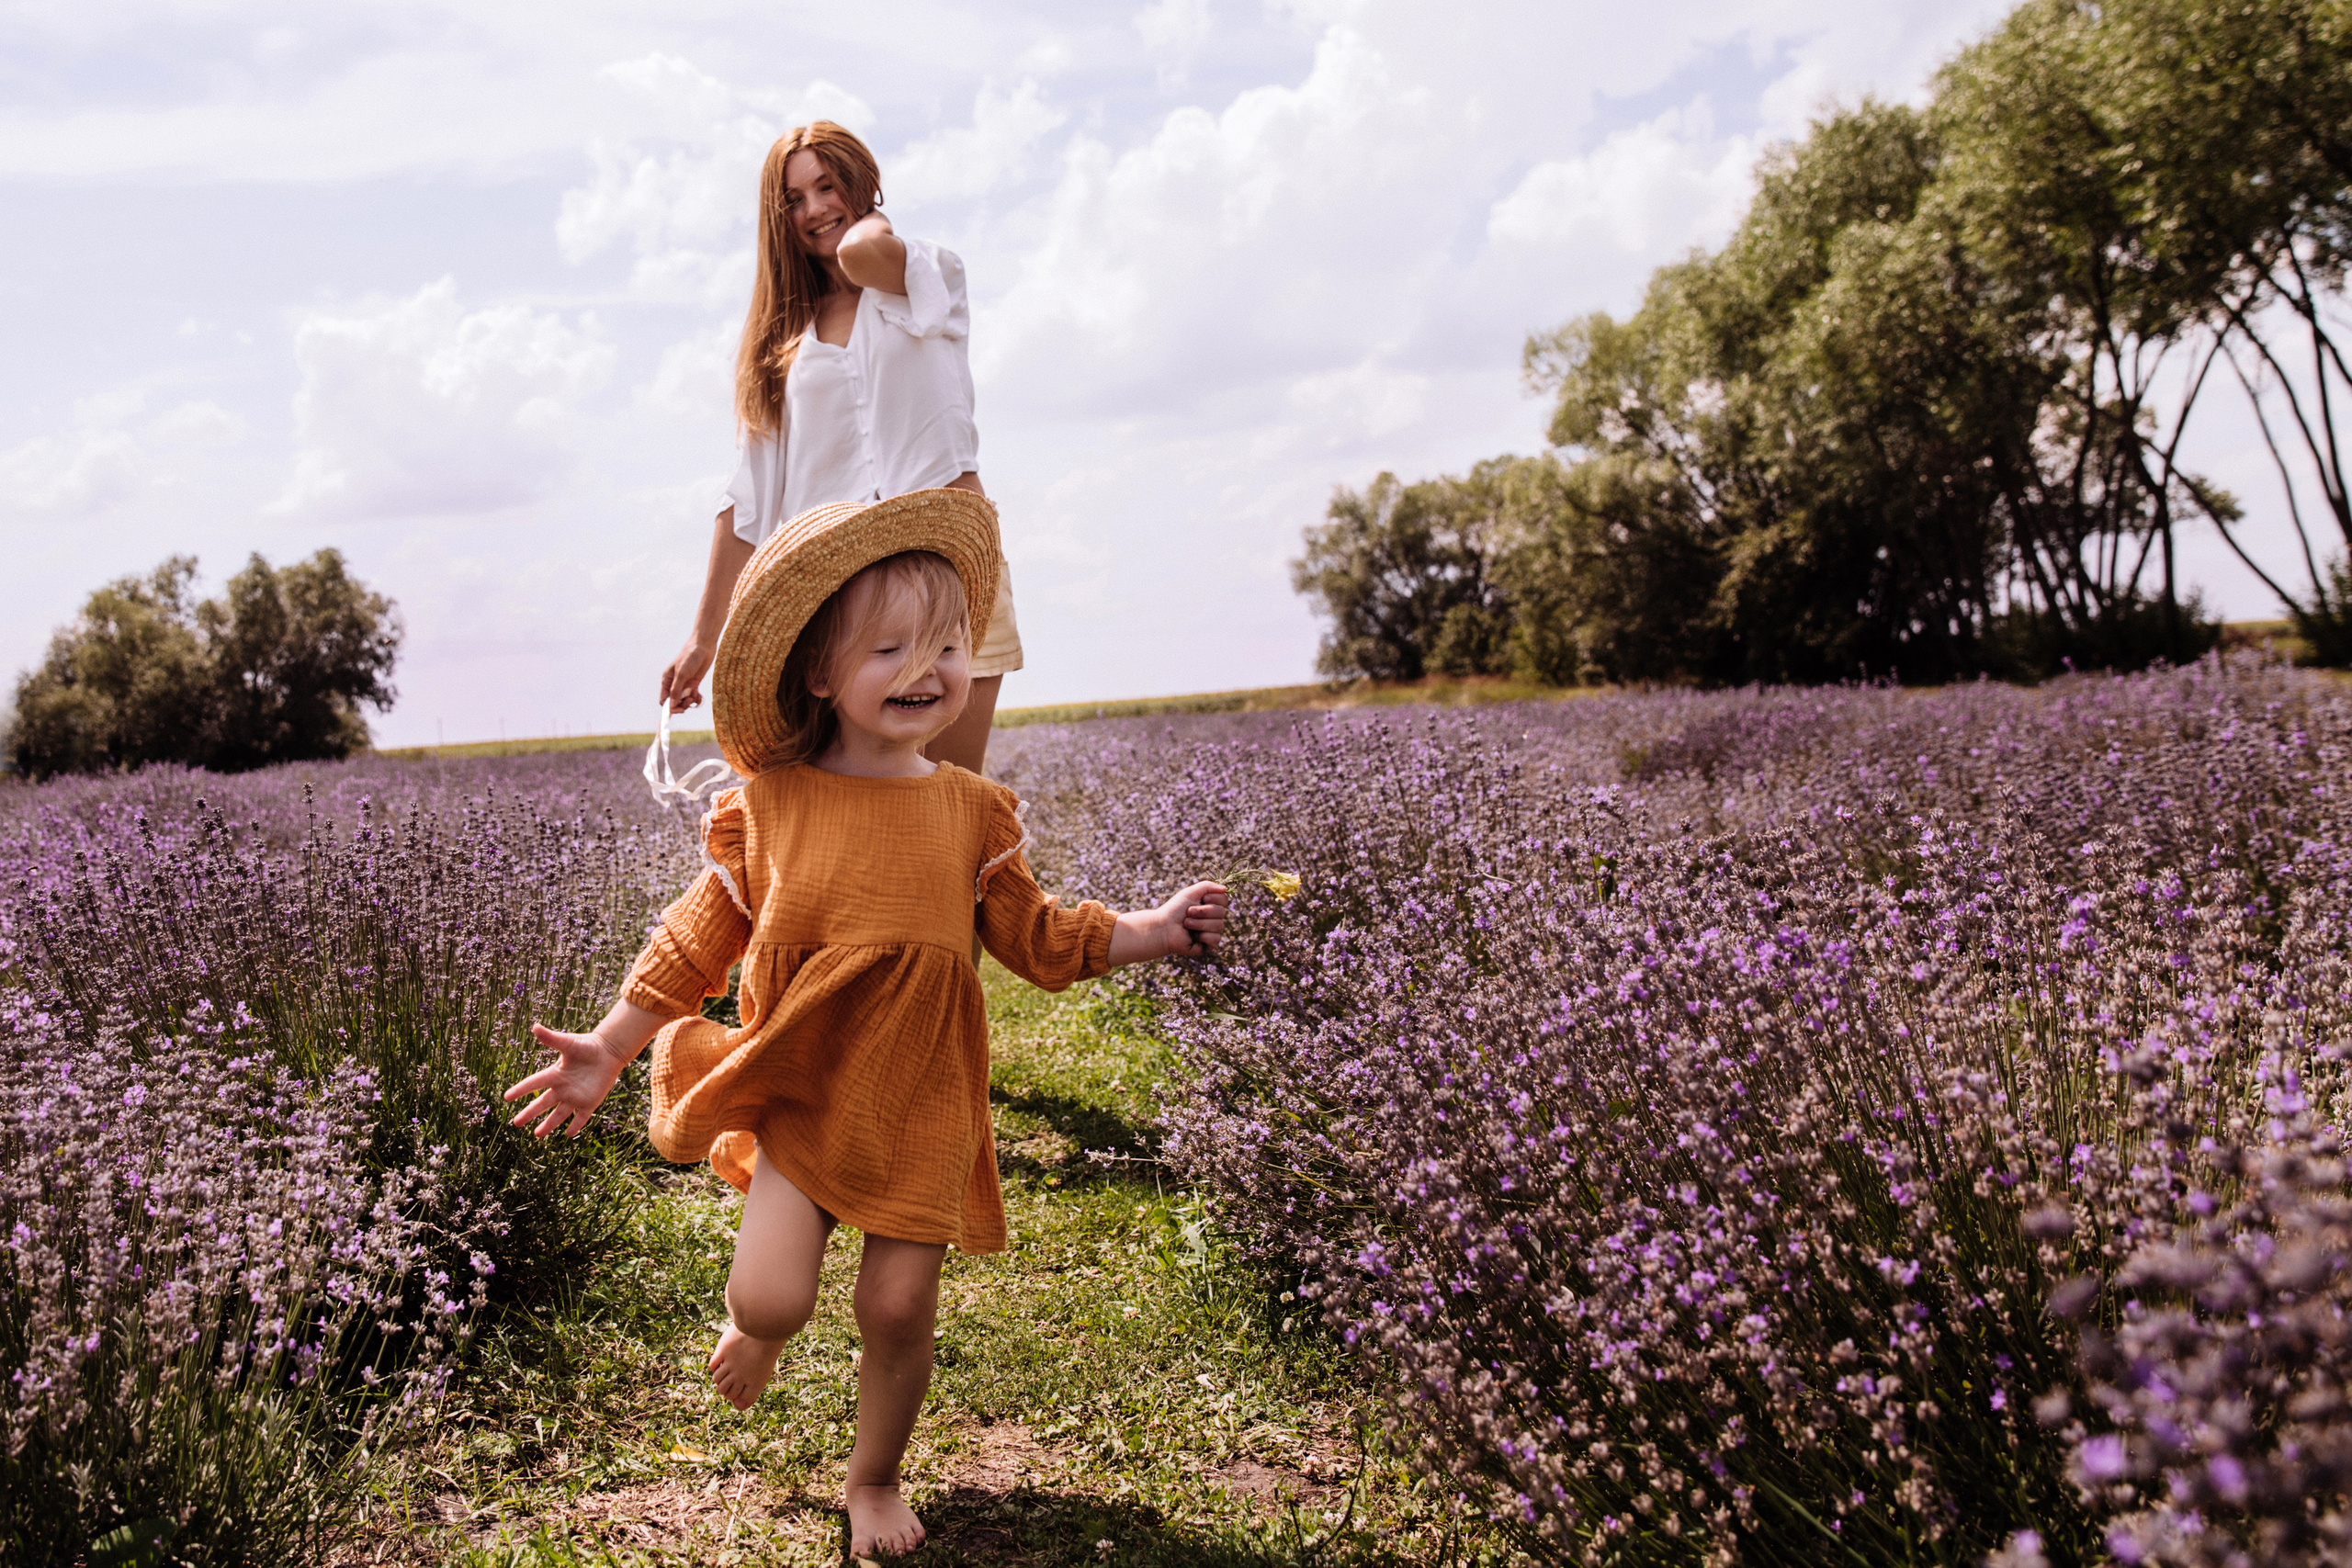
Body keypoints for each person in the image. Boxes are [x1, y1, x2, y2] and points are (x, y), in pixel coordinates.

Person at [506, 491, 1227, 1561]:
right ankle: (755, 1331)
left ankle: (873, 1477)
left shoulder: (972, 809)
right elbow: (696, 940)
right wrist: (612, 1045)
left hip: (924, 1094)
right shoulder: (770, 804)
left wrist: (1150, 929)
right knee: (771, 1298)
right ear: (817, 674)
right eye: (888, 646)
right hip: (805, 1082)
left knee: (895, 1309)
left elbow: (1035, 936)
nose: (926, 667)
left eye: (944, 644)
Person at [660, 120, 1019, 776]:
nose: (813, 209)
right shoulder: (781, 348)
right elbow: (745, 501)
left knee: (958, 805)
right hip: (845, 599)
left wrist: (868, 214)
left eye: (828, 187)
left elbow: (860, 253)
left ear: (863, 184)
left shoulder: (925, 276)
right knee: (853, 811)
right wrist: (701, 640)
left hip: (956, 565)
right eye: (792, 200)